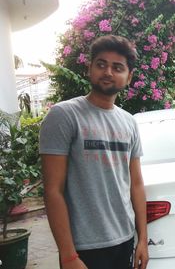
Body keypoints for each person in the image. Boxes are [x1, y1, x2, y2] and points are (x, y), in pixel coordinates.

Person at [40, 35, 149, 269]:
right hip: (83, 247)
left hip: (124, 239)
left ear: (129, 77)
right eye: (101, 64)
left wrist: (143, 241)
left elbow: (136, 184)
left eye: (117, 67)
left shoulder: (129, 123)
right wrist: (68, 255)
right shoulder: (64, 116)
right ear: (89, 69)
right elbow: (52, 190)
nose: (108, 71)